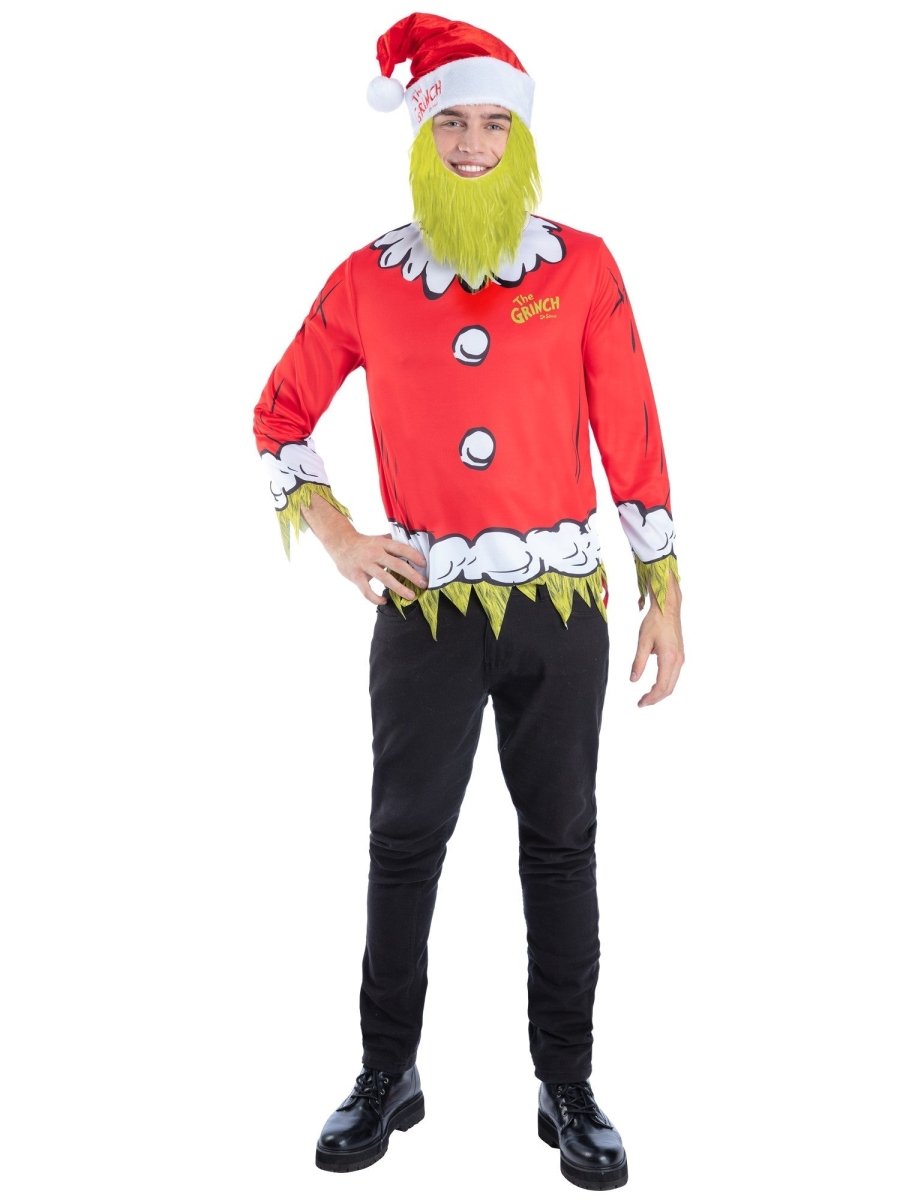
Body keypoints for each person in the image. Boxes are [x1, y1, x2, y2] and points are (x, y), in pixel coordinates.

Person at [252, 12, 684, 1190]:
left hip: (560, 611)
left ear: (523, 137)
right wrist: (340, 535)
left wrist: (664, 590)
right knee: (403, 844)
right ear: (421, 134)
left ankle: (568, 1082)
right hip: (425, 614)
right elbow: (279, 415)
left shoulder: (582, 269)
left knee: (562, 845)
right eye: (453, 122)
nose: (475, 144)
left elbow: (634, 434)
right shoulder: (369, 278)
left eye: (496, 122)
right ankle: (385, 1071)